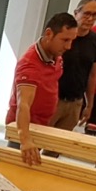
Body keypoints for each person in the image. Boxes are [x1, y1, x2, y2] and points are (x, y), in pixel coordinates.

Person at [5, 13, 79, 165]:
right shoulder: (29, 65)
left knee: (32, 170)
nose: (68, 46)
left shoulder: (55, 56)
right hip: (25, 128)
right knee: (16, 172)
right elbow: (23, 104)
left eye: (72, 40)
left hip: (42, 124)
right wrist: (25, 140)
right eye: (65, 40)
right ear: (48, 34)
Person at [53, 0, 96, 132]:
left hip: (75, 101)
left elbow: (92, 75)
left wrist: (89, 104)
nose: (90, 19)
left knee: (57, 147)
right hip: (54, 98)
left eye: (95, 15)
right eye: (87, 13)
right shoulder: (62, 36)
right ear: (76, 13)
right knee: (38, 140)